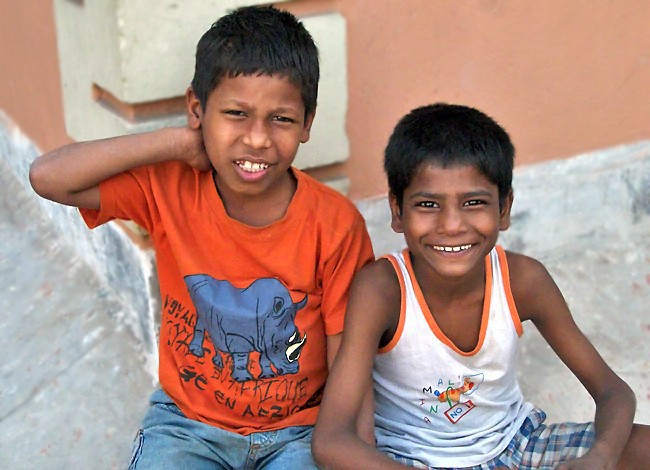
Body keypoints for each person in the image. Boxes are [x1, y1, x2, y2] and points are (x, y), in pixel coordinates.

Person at [29, 5, 374, 469]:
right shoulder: (167, 190)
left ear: (307, 122)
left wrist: (359, 452)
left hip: (300, 431)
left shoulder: (335, 225)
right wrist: (176, 142)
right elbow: (48, 177)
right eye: (235, 114)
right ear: (197, 108)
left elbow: (350, 360)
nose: (257, 139)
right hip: (188, 424)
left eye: (281, 119)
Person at [312, 103, 650, 469]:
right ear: (397, 211)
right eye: (428, 204)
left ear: (504, 209)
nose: (452, 225)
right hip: (411, 460)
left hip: (514, 447)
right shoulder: (383, 289)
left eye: (474, 203)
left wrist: (600, 458)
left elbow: (613, 391)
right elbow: (332, 439)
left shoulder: (523, 280)